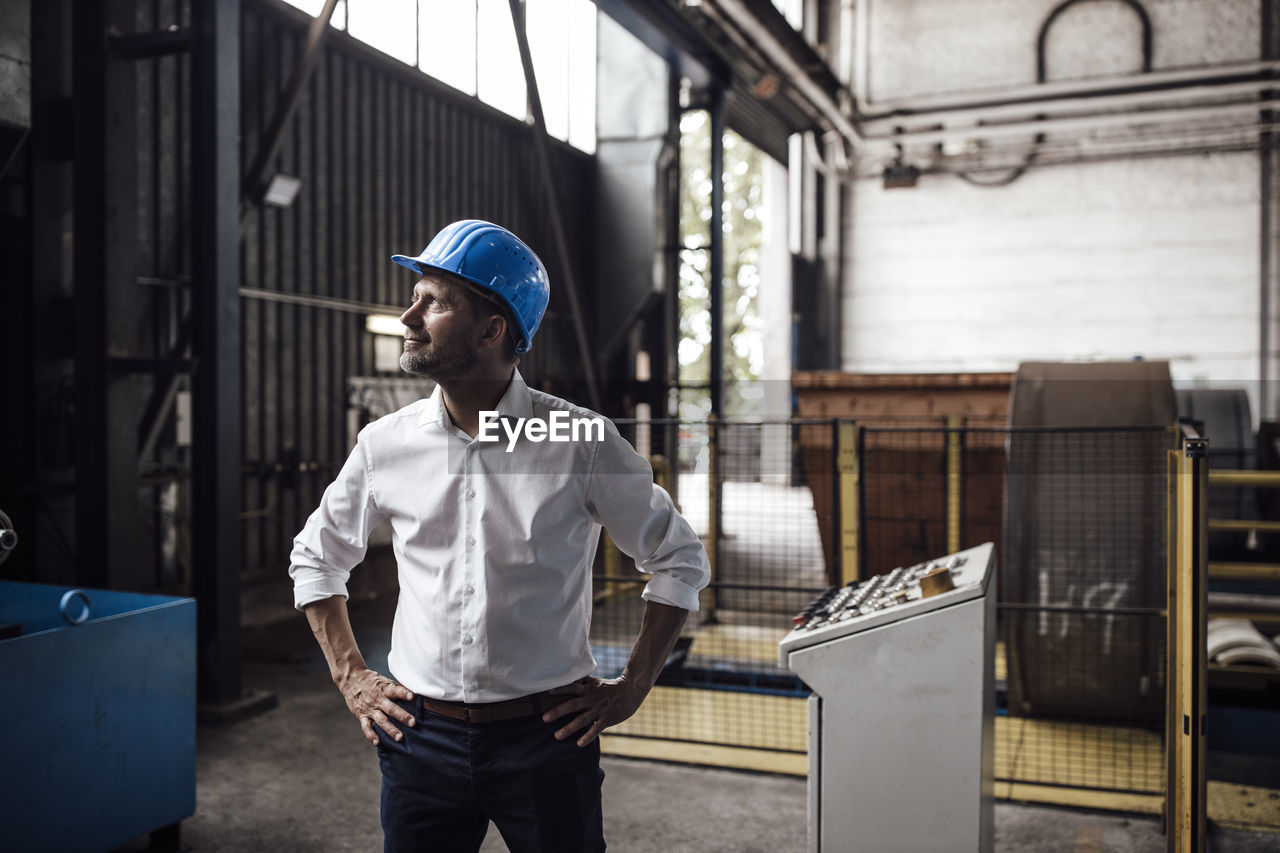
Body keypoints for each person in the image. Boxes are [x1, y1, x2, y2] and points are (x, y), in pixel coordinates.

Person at [289, 219, 710, 853]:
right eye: (416, 297)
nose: (409, 315)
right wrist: (352, 676)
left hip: (546, 741)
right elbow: (316, 557)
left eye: (434, 301)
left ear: (492, 330)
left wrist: (631, 688)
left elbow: (677, 558)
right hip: (417, 742)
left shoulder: (579, 442)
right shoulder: (387, 444)